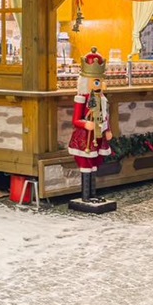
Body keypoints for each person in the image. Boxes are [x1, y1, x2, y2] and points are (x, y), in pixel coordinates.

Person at [68, 48, 112, 204]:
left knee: (94, 163)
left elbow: (105, 115)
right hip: (85, 138)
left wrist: (108, 130)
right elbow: (76, 120)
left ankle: (93, 194)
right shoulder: (81, 98)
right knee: (86, 163)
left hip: (98, 135)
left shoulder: (102, 98)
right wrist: (86, 124)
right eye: (95, 81)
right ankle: (86, 196)